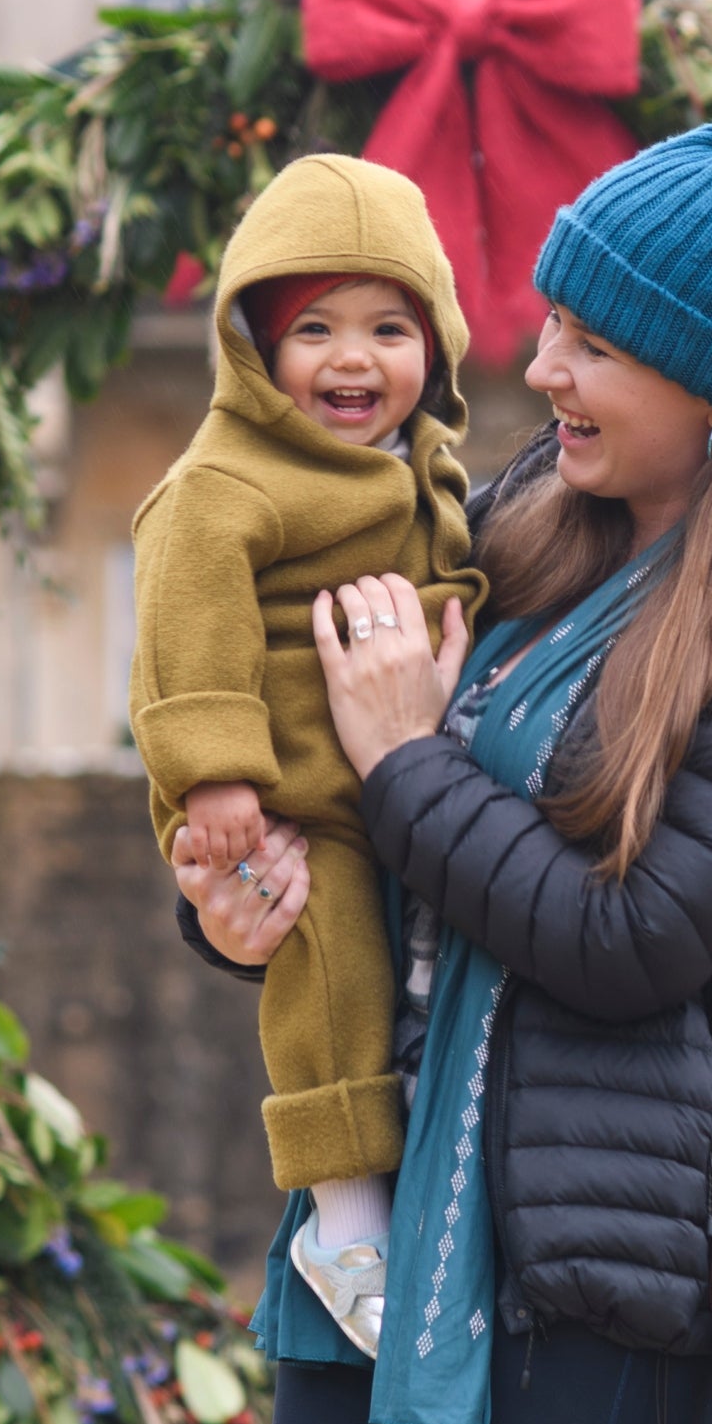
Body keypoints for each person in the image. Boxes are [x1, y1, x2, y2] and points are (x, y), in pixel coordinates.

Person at [172, 66, 712, 1424]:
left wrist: (406, 756)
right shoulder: (511, 543)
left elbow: (626, 941)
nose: (543, 371)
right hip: (380, 1233)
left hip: (603, 1281)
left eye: (593, 346)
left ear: (708, 384)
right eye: (555, 327)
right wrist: (237, 899)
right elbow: (375, 855)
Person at [130, 153, 489, 1353]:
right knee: (329, 977)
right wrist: (217, 776)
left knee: (401, 981)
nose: (352, 358)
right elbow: (190, 629)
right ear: (251, 348)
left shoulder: (428, 463)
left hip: (410, 787)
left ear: (436, 343)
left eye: (390, 327)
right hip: (292, 801)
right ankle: (341, 1219)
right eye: (314, 329)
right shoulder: (224, 481)